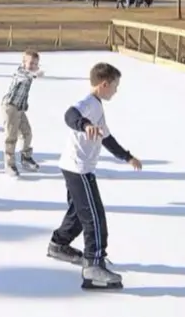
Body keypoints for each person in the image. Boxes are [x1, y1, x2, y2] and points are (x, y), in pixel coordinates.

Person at [47, 62, 142, 290]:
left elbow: (106, 138)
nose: (116, 91)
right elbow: (70, 115)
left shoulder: (97, 107)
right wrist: (85, 124)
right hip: (79, 168)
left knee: (80, 214)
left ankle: (58, 245)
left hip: (74, 167)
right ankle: (94, 264)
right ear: (104, 84)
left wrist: (127, 157)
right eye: (115, 87)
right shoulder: (88, 104)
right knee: (94, 217)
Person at [1, 49, 44, 177]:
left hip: (19, 108)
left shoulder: (30, 73)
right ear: (23, 63)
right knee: (11, 137)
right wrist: (35, 74)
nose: (33, 66)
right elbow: (25, 77)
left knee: (27, 133)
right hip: (10, 107)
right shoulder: (19, 72)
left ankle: (25, 158)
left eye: (36, 64)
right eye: (31, 63)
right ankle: (10, 164)